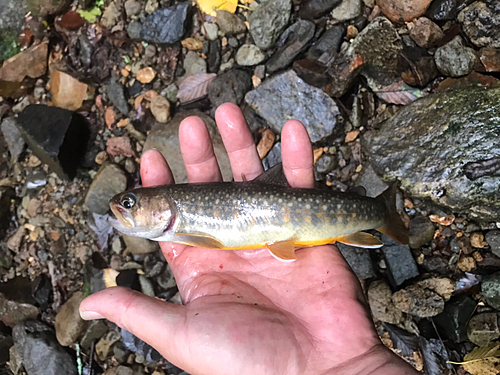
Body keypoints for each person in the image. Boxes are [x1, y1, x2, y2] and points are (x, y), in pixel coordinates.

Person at [80, 103, 420, 375]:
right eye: (129, 204)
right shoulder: (178, 223)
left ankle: (380, 211)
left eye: (130, 204)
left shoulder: (184, 230)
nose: (125, 209)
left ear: (161, 206)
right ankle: (379, 211)